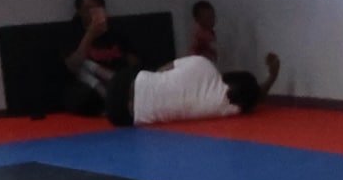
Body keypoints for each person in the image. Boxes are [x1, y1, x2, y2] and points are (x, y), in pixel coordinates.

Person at [107, 52, 279, 128]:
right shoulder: (226, 109)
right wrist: (272, 76)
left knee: (148, 72)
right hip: (124, 117)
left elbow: (161, 70)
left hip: (123, 85)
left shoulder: (203, 64)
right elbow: (256, 96)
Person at [62, 0, 137, 116]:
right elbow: (73, 66)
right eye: (88, 9)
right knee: (82, 73)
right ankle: (107, 87)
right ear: (79, 12)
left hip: (119, 80)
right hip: (90, 86)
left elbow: (134, 62)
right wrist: (90, 34)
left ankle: (110, 86)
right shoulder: (73, 33)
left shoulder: (117, 32)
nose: (93, 13)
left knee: (86, 67)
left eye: (97, 8)